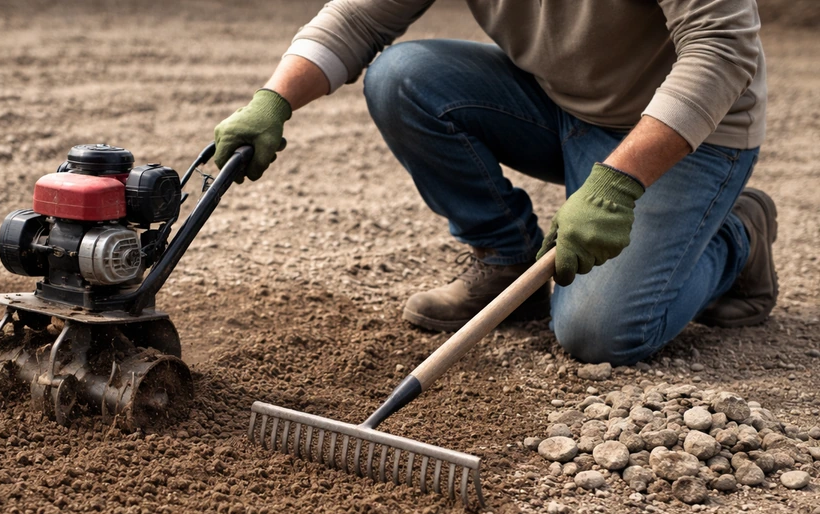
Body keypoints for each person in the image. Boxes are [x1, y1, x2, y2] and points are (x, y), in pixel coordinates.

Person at [212, 0, 775, 366]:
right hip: (559, 106)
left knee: (597, 334)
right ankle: (506, 257)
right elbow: (360, 18)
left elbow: (721, 48)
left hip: (693, 133)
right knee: (403, 78)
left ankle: (736, 235)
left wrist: (619, 182)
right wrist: (273, 100)